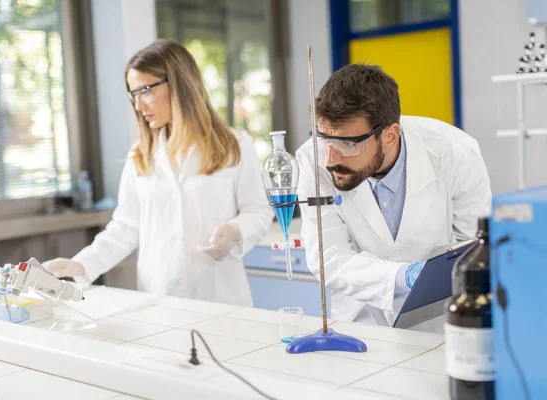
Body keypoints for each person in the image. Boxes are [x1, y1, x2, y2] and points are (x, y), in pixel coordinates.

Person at [44, 39, 273, 306]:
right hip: (159, 299)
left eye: (145, 91)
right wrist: (80, 264)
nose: (138, 106)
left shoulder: (234, 145)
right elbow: (126, 228)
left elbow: (258, 210)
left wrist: (235, 230)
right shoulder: (140, 155)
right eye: (133, 94)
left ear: (178, 83)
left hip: (220, 298)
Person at [296, 63, 491, 326]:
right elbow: (328, 257)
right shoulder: (312, 160)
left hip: (439, 321)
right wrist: (402, 276)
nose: (331, 159)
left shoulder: (455, 153)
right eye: (325, 138)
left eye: (347, 144)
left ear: (389, 136)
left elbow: (472, 248)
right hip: (361, 323)